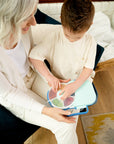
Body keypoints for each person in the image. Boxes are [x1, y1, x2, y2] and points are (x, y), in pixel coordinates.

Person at [0, 0, 79, 144]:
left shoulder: (23, 30)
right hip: (16, 94)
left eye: (33, 14)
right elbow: (9, 94)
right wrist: (47, 110)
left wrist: (50, 78)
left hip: (33, 76)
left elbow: (32, 57)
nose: (34, 22)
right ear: (9, 18)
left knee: (72, 106)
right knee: (65, 125)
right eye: (27, 17)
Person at [29, 0, 97, 102]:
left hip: (80, 81)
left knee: (80, 104)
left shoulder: (91, 42)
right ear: (61, 20)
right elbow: (34, 56)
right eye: (67, 35)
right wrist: (49, 77)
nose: (71, 40)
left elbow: (88, 69)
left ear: (90, 25)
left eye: (78, 37)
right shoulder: (53, 37)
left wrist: (75, 85)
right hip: (59, 82)